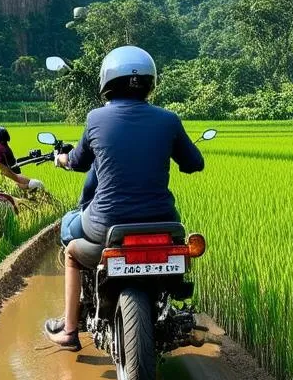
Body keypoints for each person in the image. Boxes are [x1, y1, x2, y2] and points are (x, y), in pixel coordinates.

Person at [44, 46, 205, 349]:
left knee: (70, 239)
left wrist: (59, 160)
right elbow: (195, 164)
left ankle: (69, 329)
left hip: (106, 224)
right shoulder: (169, 120)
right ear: (149, 81)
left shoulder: (95, 118)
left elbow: (77, 162)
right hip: (163, 223)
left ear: (107, 81)